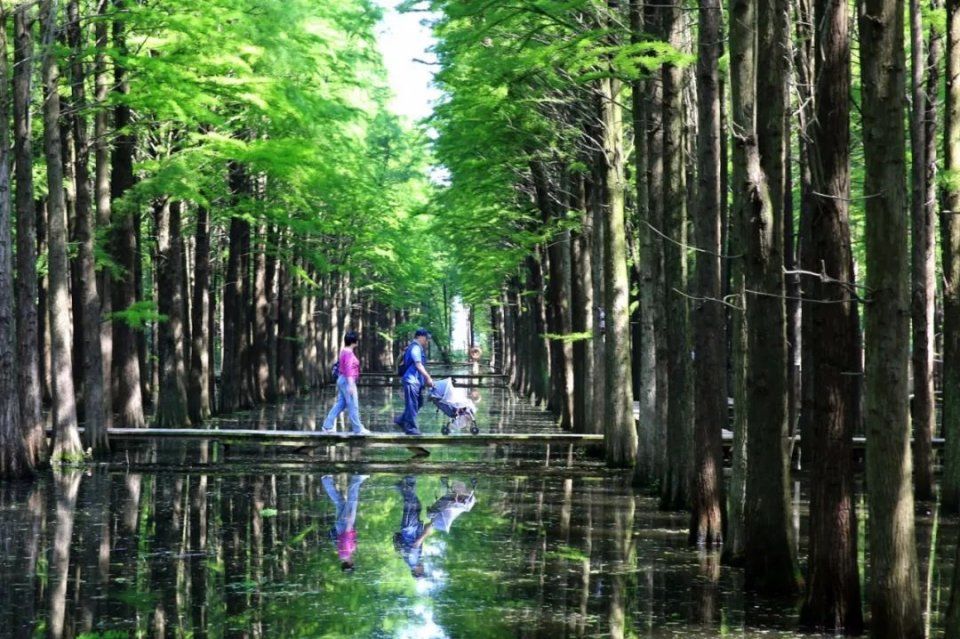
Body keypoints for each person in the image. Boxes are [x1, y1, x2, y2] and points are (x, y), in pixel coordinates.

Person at [322, 331, 370, 435]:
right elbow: (348, 369)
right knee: (353, 405)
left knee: (340, 404)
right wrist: (351, 384)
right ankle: (358, 429)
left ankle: (327, 425)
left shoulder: (345, 351)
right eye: (356, 339)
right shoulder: (348, 353)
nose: (358, 341)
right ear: (353, 341)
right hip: (348, 380)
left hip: (342, 379)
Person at [322, 473, 368, 572]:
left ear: (350, 564)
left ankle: (357, 479)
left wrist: (349, 522)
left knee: (352, 501)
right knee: (339, 502)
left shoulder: (346, 553)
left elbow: (346, 538)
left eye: (353, 565)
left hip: (345, 525)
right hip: (340, 526)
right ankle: (326, 481)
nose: (354, 563)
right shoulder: (342, 555)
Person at [394, 328, 434, 436]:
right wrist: (428, 377)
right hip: (412, 380)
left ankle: (401, 420)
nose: (427, 341)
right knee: (412, 404)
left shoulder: (415, 347)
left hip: (416, 380)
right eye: (426, 338)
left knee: (419, 402)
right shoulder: (415, 348)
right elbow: (418, 364)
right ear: (420, 337)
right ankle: (410, 428)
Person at [393, 475, 428, 578]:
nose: (424, 569)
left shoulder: (413, 561)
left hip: (410, 528)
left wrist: (426, 533)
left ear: (417, 572)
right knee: (414, 504)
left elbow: (416, 545)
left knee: (413, 503)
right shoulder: (411, 562)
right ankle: (405, 483)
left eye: (422, 572)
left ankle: (407, 481)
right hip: (410, 528)